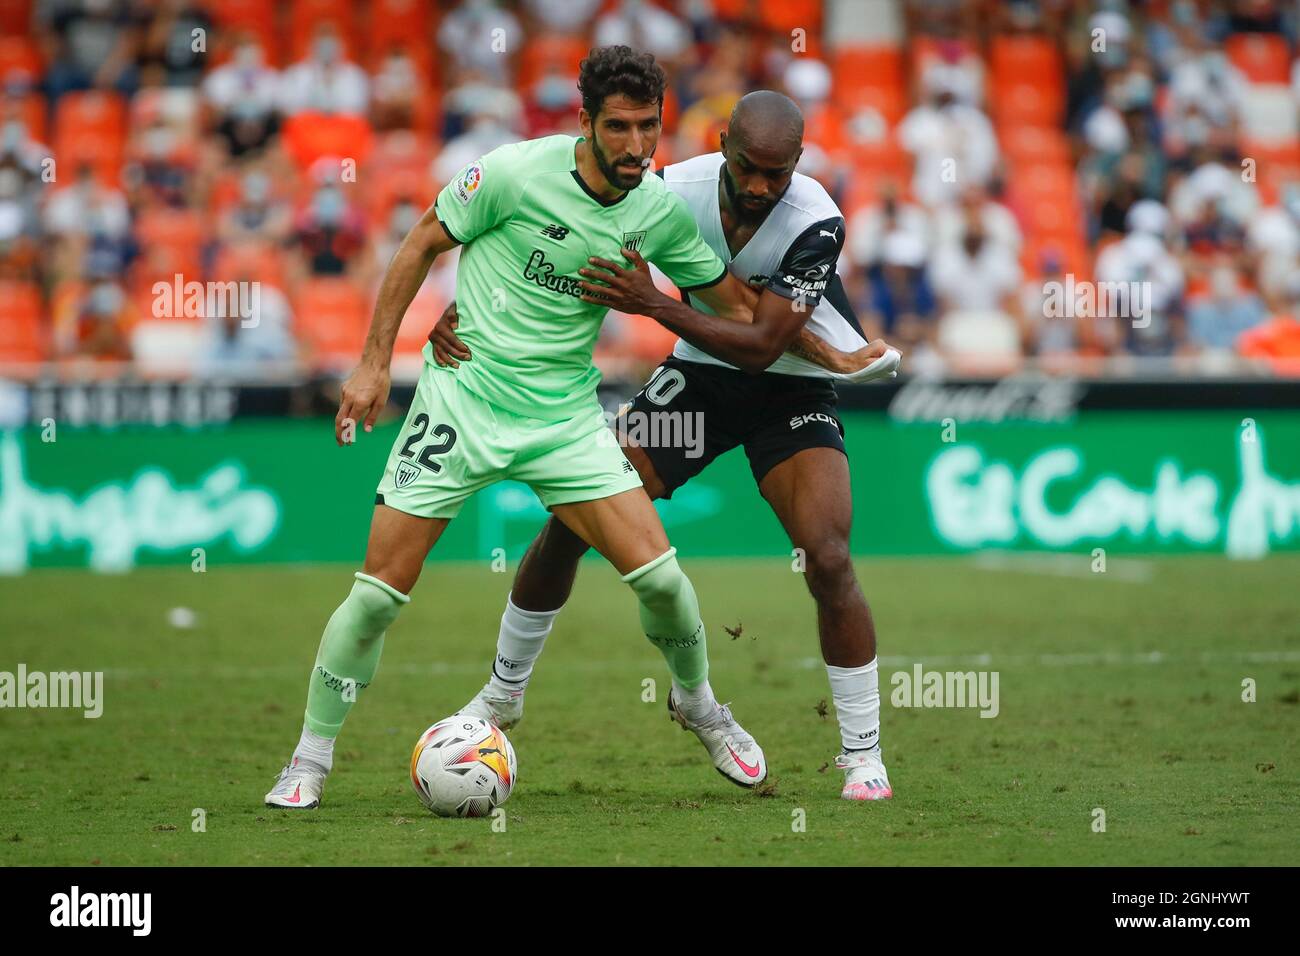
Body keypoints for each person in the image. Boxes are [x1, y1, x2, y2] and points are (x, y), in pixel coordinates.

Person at [263, 49, 885, 811]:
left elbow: (743, 314)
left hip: (566, 418)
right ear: (584, 123)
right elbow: (425, 240)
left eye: (646, 128)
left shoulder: (658, 209)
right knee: (377, 596)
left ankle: (702, 706)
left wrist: (837, 354)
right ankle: (310, 758)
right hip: (463, 401)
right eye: (617, 127)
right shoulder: (515, 172)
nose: (633, 145)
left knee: (667, 581)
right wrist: (373, 363)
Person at [432, 90, 901, 801]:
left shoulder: (817, 219)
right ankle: (502, 695)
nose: (758, 187)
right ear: (721, 145)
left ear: (797, 165)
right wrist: (467, 305)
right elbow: (555, 238)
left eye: (776, 174)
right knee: (572, 521)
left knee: (830, 558)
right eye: (746, 167)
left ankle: (862, 754)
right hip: (698, 386)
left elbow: (765, 344)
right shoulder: (665, 190)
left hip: (791, 391)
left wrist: (654, 303)